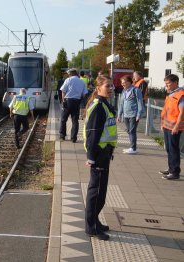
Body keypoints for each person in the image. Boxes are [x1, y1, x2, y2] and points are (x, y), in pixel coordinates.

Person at [83, 75, 117, 241]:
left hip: (105, 153)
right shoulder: (98, 107)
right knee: (96, 192)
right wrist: (91, 157)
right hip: (98, 154)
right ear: (98, 88)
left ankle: (95, 219)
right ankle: (91, 227)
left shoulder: (105, 105)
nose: (111, 89)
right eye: (107, 86)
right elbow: (92, 134)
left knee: (101, 192)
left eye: (112, 86)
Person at [159, 74, 184, 180]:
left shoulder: (180, 95)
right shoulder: (170, 94)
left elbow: (182, 112)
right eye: (166, 84)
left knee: (174, 149)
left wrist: (177, 126)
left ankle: (175, 172)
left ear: (175, 83)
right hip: (167, 126)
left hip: (174, 127)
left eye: (168, 84)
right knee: (169, 149)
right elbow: (166, 110)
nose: (166, 86)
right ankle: (171, 169)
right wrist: (162, 123)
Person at [117, 75, 143, 154]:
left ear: (129, 82)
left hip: (133, 114)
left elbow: (140, 103)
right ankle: (132, 147)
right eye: (122, 83)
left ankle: (133, 148)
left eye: (124, 82)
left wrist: (138, 115)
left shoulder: (136, 90)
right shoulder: (124, 91)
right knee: (129, 131)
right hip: (126, 115)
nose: (122, 84)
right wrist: (119, 115)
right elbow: (121, 104)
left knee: (132, 131)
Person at [60, 68, 88, 143]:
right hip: (76, 102)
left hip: (67, 101)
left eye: (69, 74)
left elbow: (63, 91)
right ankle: (74, 138)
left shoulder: (68, 80)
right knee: (75, 120)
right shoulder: (82, 82)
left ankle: (62, 136)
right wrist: (80, 100)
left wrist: (63, 101)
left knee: (63, 119)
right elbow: (85, 94)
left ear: (70, 74)